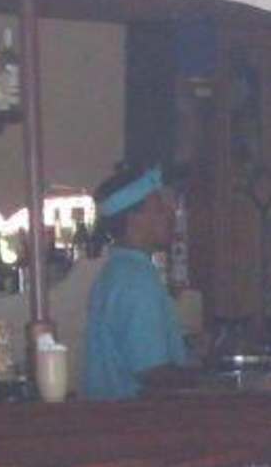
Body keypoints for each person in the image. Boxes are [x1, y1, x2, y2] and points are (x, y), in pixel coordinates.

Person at [80, 161, 193, 400]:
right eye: (159, 208)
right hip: (133, 418)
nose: (170, 215)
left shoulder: (117, 271)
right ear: (134, 220)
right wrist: (213, 381)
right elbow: (152, 372)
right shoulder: (136, 279)